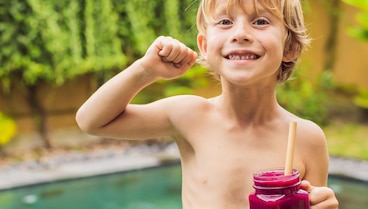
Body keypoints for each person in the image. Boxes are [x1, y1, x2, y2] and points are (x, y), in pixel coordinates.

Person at [76, 0, 339, 208]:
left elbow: (313, 200)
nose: (240, 34)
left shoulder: (306, 137)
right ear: (203, 45)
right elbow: (91, 121)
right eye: (225, 21)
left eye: (260, 21)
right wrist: (145, 70)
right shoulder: (189, 115)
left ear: (290, 47)